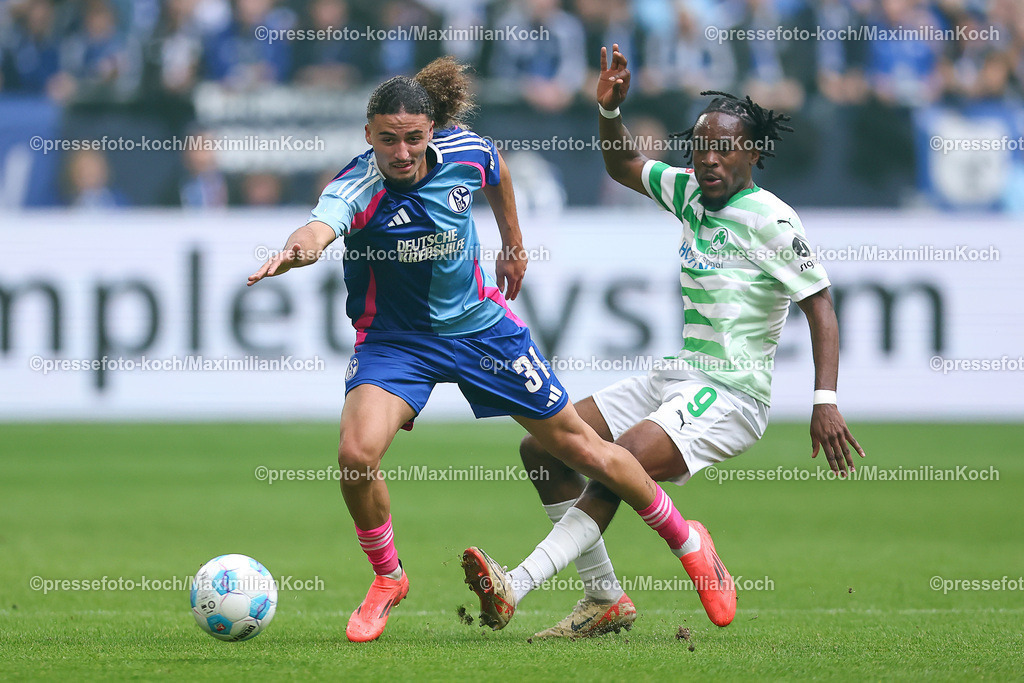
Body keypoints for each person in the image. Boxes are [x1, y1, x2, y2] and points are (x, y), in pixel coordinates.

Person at [247, 56, 712, 643]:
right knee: (355, 456)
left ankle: (688, 541)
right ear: (369, 135)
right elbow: (318, 228)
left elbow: (497, 170)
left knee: (582, 450)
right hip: (396, 342)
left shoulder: (466, 150)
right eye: (387, 140)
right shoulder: (356, 186)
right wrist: (296, 251)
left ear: (431, 133)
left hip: (480, 329)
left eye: (413, 138)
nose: (402, 152)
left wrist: (513, 244)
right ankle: (388, 578)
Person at [462, 44, 865, 639]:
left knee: (617, 461)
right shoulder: (691, 196)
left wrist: (824, 401)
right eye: (700, 147)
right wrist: (609, 113)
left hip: (731, 395)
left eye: (724, 149)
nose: (708, 160)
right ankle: (603, 598)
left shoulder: (772, 221)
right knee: (544, 448)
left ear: (752, 153)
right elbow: (623, 166)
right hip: (677, 375)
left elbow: (820, 304)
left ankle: (516, 583)